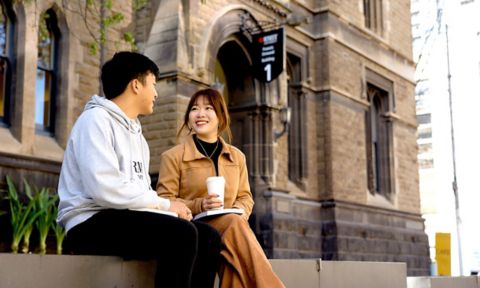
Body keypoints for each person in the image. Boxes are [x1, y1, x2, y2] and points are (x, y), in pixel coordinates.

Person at [56, 52, 221, 288]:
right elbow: (104, 189)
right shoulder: (94, 120)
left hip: (121, 218)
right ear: (135, 85)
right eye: (153, 85)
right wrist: (166, 206)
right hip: (89, 223)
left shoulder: (138, 136)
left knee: (208, 237)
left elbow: (138, 196)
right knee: (181, 234)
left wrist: (172, 211)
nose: (155, 93)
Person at [156, 88, 285, 288]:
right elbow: (165, 201)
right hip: (194, 226)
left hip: (232, 227)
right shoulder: (173, 156)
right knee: (234, 227)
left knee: (232, 259)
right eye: (194, 109)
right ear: (188, 117)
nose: (200, 114)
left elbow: (245, 197)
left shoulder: (237, 156)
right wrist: (200, 204)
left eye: (208, 108)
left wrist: (238, 215)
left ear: (220, 116)